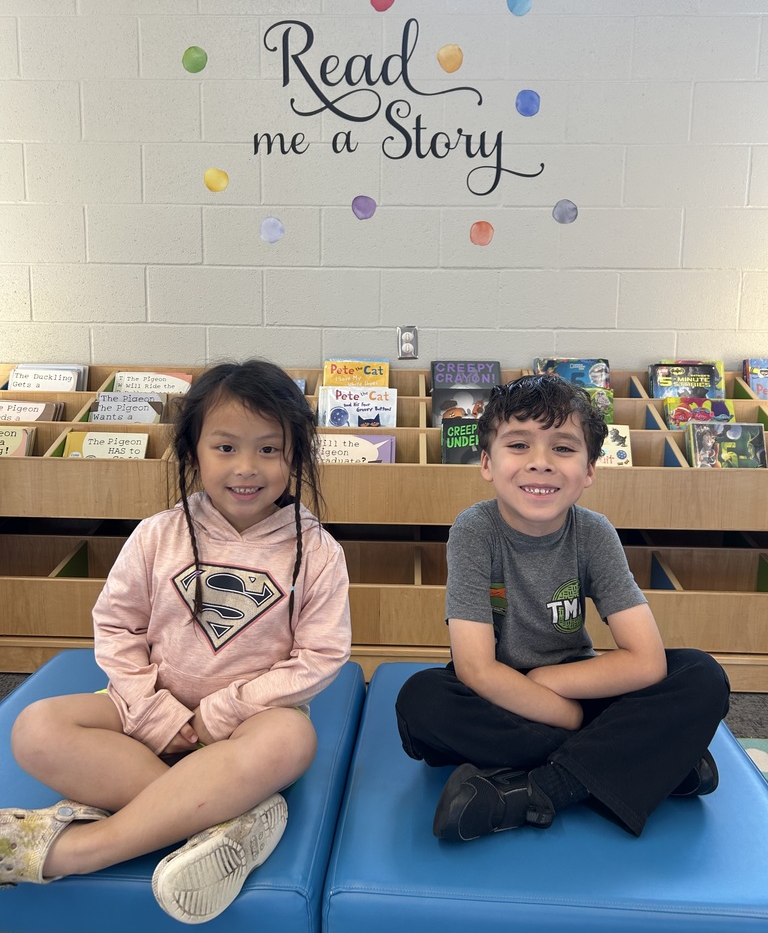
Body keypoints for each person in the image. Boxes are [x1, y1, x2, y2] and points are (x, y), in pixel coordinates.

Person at [3, 359, 351, 923]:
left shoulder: (317, 551)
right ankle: (222, 819)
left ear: (295, 457)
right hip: (145, 717)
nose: (247, 468)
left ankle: (79, 849)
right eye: (225, 447)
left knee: (291, 739)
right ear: (192, 453)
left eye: (269, 449)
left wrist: (223, 713)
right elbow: (117, 627)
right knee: (34, 728)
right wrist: (148, 706)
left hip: (245, 728)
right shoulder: (157, 534)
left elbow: (321, 656)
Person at [395, 374, 730, 842]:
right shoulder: (474, 530)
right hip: (502, 695)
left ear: (590, 469)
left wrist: (550, 683)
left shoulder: (594, 533)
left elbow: (647, 661)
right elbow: (475, 668)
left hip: (576, 682)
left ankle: (534, 791)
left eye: (563, 449)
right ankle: (644, 762)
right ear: (487, 462)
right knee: (422, 702)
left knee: (700, 674)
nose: (541, 464)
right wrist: (569, 716)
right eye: (519, 445)